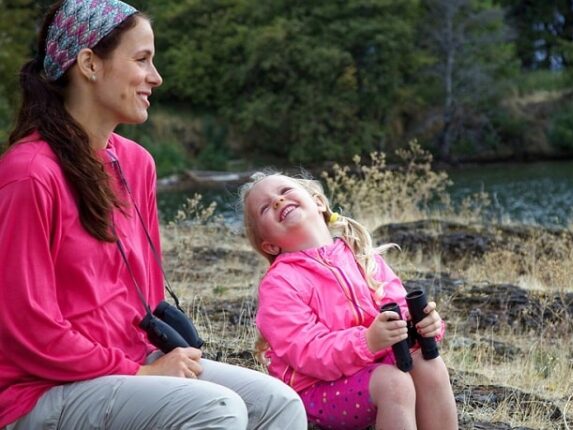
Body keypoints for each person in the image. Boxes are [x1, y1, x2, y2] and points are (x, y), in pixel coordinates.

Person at [0, 1, 306, 429]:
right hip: (42, 389)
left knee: (279, 402)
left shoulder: (136, 164)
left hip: (130, 363)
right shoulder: (30, 173)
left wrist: (148, 364)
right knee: (216, 409)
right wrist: (140, 373)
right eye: (142, 59)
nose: (156, 77)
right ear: (89, 64)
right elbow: (25, 328)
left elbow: (144, 294)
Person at [240, 171, 459, 430]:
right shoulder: (280, 283)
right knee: (394, 384)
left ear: (318, 202)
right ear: (270, 246)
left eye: (285, 191)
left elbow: (398, 307)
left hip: (371, 367)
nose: (278, 201)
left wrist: (423, 325)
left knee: (429, 363)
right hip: (316, 389)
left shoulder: (360, 254)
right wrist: (367, 341)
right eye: (265, 208)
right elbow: (307, 351)